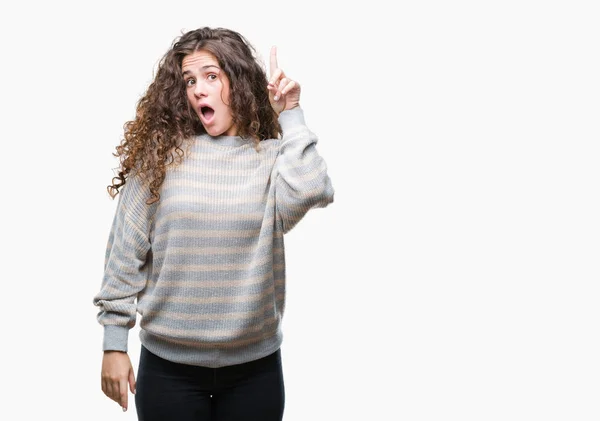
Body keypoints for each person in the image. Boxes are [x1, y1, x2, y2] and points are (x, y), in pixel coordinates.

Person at [92, 26, 334, 421]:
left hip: (254, 370)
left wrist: (290, 114)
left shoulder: (271, 158)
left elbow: (312, 189)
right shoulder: (162, 160)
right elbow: (124, 254)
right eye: (190, 80)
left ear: (237, 82)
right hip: (168, 369)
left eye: (211, 76)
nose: (198, 90)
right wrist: (114, 344)